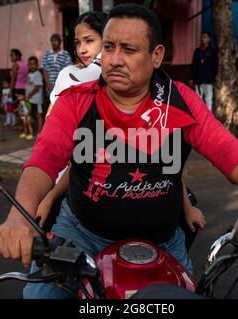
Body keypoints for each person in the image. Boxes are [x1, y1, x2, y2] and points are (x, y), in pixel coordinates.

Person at [0, 3, 238, 299]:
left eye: (129, 49)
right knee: (40, 297)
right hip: (80, 233)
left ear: (156, 56)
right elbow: (44, 159)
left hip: (162, 241)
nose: (115, 60)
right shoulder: (76, 101)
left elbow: (227, 150)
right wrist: (19, 216)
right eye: (109, 47)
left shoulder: (180, 100)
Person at [38, 11, 205, 235]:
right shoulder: (74, 84)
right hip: (70, 195)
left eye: (90, 41)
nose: (82, 49)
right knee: (49, 258)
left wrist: (187, 207)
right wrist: (37, 204)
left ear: (155, 56)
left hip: (151, 232)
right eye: (109, 47)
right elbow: (49, 152)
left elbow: (166, 168)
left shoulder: (166, 97)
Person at [190, 32, 218, 112]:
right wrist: (192, 78)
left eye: (205, 37)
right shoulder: (197, 51)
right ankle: (199, 118)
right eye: (202, 37)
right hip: (198, 79)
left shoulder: (212, 51)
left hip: (209, 79)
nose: (203, 39)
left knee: (208, 100)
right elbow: (193, 65)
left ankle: (208, 119)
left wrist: (214, 77)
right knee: (198, 100)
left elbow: (215, 65)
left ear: (209, 39)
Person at [25, 56, 44, 134]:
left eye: (34, 64)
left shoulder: (37, 74)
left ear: (37, 65)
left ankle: (40, 131)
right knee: (30, 114)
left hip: (36, 99)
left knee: (38, 114)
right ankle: (31, 130)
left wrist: (29, 95)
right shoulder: (29, 74)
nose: (32, 65)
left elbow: (37, 87)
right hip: (30, 99)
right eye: (30, 64)